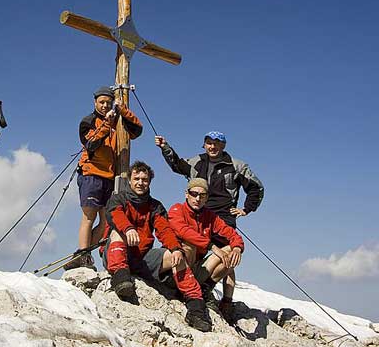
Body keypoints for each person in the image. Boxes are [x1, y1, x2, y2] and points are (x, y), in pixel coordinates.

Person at [155, 131, 263, 306]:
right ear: (204, 145)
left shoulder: (236, 165)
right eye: (209, 143)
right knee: (191, 249)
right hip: (197, 214)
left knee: (227, 258)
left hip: (223, 218)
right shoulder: (196, 161)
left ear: (223, 146)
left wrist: (246, 209)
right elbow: (177, 164)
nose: (212, 147)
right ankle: (186, 285)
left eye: (217, 143)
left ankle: (224, 300)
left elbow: (256, 187)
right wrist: (165, 147)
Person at [103, 161, 212, 332]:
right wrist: (128, 228)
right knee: (117, 232)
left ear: (149, 182)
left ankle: (195, 308)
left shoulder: (155, 206)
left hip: (142, 257)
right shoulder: (118, 199)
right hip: (117, 253)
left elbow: (164, 230)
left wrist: (175, 248)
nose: (140, 182)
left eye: (144, 179)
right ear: (130, 181)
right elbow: (115, 215)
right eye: (136, 178)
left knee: (177, 256)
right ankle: (120, 278)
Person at [67, 86, 142, 270]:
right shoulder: (88, 121)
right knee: (89, 216)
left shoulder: (118, 121)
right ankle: (84, 255)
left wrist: (123, 110)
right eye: (102, 102)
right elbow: (91, 144)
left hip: (110, 176)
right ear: (95, 102)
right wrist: (107, 124)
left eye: (108, 103)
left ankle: (83, 254)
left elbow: (138, 129)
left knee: (107, 220)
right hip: (91, 173)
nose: (104, 105)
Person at [168, 178, 244, 317]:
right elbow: (183, 231)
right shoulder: (177, 209)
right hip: (179, 266)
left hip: (198, 267)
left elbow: (232, 234)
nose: (197, 198)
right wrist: (212, 246)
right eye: (194, 194)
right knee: (188, 245)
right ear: (187, 194)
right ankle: (183, 287)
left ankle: (204, 288)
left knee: (230, 251)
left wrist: (237, 248)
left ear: (207, 198)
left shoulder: (210, 216)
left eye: (202, 195)